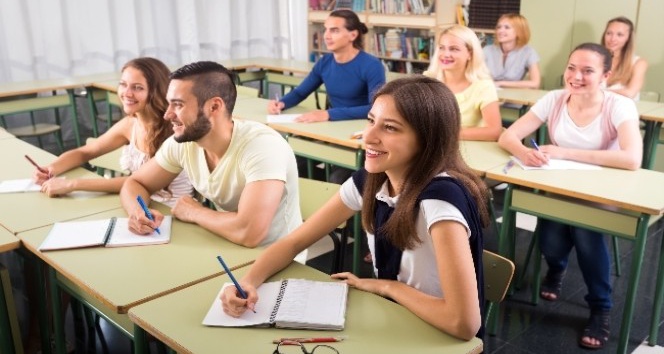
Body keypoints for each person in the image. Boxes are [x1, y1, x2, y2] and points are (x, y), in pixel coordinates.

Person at [222, 76, 490, 340]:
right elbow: (294, 242)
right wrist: (248, 281)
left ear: (427, 140)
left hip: (438, 337)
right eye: (371, 121)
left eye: (391, 128)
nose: (369, 136)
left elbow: (463, 323)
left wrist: (386, 287)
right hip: (394, 319)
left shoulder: (440, 200)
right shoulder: (370, 181)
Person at [498, 43, 642, 349]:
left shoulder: (619, 105)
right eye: (572, 68)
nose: (576, 76)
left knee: (586, 236)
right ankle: (557, 267)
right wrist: (525, 152)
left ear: (606, 74)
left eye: (588, 70)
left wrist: (564, 152)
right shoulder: (554, 99)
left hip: (599, 191)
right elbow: (507, 135)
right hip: (559, 186)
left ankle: (600, 307)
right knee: (550, 241)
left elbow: (632, 158)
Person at [119, 61, 301, 248]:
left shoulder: (262, 146)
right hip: (225, 244)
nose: (167, 115)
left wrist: (195, 212)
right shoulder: (183, 142)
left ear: (214, 107)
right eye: (169, 104)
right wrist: (138, 212)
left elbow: (250, 233)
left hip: (277, 259)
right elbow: (135, 183)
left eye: (178, 105)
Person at [33, 57, 194, 207]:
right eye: (123, 84)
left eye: (137, 87)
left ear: (156, 91)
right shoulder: (130, 124)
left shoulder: (174, 130)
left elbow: (138, 181)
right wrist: (51, 169)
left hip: (171, 210)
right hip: (137, 205)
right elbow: (86, 151)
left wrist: (72, 184)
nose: (127, 93)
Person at [267, 9, 385, 123]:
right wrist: (282, 103)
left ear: (353, 35)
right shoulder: (325, 62)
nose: (326, 36)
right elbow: (300, 92)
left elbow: (375, 108)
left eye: (334, 30)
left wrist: (328, 114)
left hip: (362, 126)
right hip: (334, 123)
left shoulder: (372, 66)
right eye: (326, 30)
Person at [424, 25, 502, 141]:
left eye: (454, 49)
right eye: (441, 48)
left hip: (467, 150)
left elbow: (494, 131)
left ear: (470, 54)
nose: (445, 54)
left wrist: (445, 134)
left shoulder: (483, 86)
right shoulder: (428, 80)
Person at [483, 13, 541, 89]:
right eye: (499, 27)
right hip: (488, 93)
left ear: (519, 31)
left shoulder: (528, 52)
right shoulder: (487, 50)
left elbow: (535, 83)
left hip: (513, 96)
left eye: (507, 27)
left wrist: (500, 83)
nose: (500, 31)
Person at [601, 16, 648, 100]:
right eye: (609, 33)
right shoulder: (594, 60)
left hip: (623, 111)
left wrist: (596, 92)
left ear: (628, 39)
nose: (612, 39)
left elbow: (630, 93)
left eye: (619, 35)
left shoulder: (639, 63)